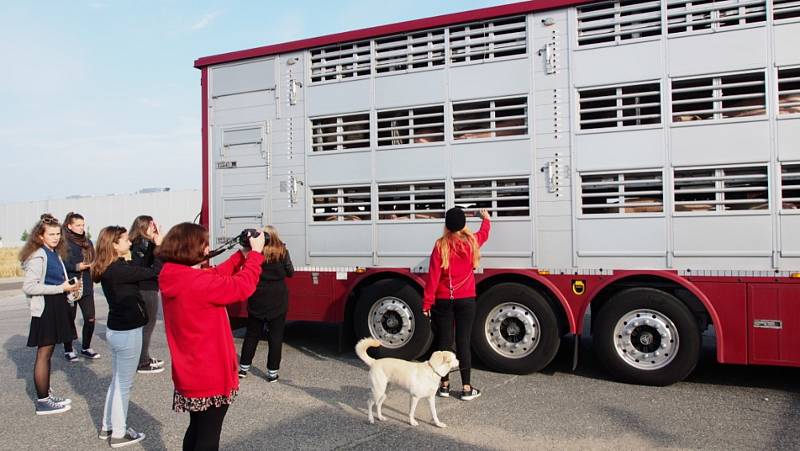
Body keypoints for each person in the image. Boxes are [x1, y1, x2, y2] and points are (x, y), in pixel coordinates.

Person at [156, 223, 265, 451]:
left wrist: (240, 255)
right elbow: (241, 287)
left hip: (191, 371)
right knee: (208, 438)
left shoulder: (174, 276)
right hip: (210, 372)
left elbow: (214, 274)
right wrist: (255, 256)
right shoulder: (196, 282)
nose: (207, 249)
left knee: (197, 429)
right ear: (190, 248)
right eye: (204, 244)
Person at [93, 226, 160, 447]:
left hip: (117, 331)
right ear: (113, 244)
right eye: (124, 240)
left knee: (117, 382)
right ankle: (119, 434)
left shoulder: (114, 267)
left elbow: (142, 266)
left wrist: (152, 244)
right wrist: (160, 247)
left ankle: (107, 427)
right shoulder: (118, 271)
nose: (129, 243)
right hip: (127, 333)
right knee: (124, 385)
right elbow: (153, 272)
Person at [422, 207, 491, 401]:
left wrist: (427, 304)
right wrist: (485, 218)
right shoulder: (472, 242)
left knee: (444, 342)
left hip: (443, 300)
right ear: (463, 224)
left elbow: (433, 278)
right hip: (466, 299)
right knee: (463, 343)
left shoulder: (440, 245)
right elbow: (484, 233)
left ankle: (443, 386)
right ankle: (467, 388)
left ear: (446, 225)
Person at [19, 213, 80, 415]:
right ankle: (43, 400)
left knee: (49, 353)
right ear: (40, 236)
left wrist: (70, 290)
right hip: (46, 309)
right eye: (51, 234)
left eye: (57, 234)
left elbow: (57, 281)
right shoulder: (39, 254)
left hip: (56, 305)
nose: (55, 237)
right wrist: (61, 288)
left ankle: (45, 393)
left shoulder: (53, 253)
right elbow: (29, 286)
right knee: (44, 354)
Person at [237, 225, 295, 382]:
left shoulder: (255, 253)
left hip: (258, 298)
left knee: (252, 335)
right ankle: (272, 373)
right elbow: (290, 272)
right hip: (278, 299)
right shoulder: (282, 252)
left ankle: (243, 368)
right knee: (275, 337)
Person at [128, 215, 165, 374]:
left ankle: (144, 357)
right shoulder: (140, 245)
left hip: (148, 287)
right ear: (143, 227)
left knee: (146, 326)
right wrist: (158, 247)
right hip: (146, 288)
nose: (155, 228)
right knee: (147, 326)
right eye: (152, 226)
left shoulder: (143, 243)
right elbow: (152, 268)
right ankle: (142, 361)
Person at [61, 212, 100, 361]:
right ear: (69, 226)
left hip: (87, 284)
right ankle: (68, 349)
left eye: (83, 225)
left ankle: (86, 347)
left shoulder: (87, 242)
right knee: (69, 319)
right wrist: (77, 267)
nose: (81, 228)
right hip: (71, 285)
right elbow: (62, 264)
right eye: (78, 225)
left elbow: (94, 258)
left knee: (90, 318)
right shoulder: (63, 242)